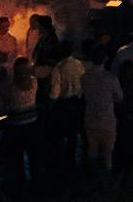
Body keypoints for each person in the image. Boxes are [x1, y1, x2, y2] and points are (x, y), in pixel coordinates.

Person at [81, 44, 123, 174]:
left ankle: (90, 179)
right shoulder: (111, 78)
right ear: (105, 59)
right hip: (107, 120)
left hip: (90, 119)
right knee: (107, 154)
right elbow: (120, 97)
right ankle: (106, 184)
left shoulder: (84, 77)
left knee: (92, 151)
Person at [3, 57, 39, 191]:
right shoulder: (34, 82)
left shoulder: (11, 88)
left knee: (18, 155)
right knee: (33, 153)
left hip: (16, 125)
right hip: (32, 123)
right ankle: (35, 181)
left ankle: (21, 183)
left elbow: (6, 105)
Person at [49, 41, 84, 173]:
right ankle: (75, 163)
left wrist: (51, 104)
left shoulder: (58, 68)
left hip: (64, 105)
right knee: (74, 135)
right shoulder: (79, 64)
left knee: (62, 135)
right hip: (77, 102)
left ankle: (64, 165)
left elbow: (55, 92)